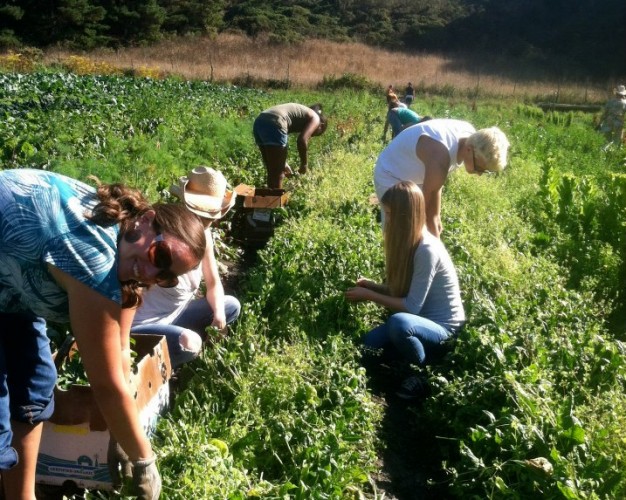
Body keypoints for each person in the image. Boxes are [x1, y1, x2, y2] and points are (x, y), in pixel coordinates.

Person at [0, 168, 207, 499]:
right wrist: (144, 459)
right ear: (147, 220)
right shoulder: (93, 258)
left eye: (167, 276)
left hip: (8, 290)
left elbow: (121, 349)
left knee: (35, 387)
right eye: (161, 256)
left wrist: (126, 431)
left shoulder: (121, 238)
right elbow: (107, 385)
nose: (153, 274)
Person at [345, 181, 465, 400]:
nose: (386, 219)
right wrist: (371, 285)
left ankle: (420, 375)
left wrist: (369, 296)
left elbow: (411, 306)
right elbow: (403, 292)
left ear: (404, 216)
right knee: (366, 347)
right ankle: (406, 356)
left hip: (444, 328)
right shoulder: (410, 242)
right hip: (419, 321)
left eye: (390, 213)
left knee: (399, 324)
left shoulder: (427, 250)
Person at [131, 167, 241, 369]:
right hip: (142, 325)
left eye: (210, 215)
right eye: (200, 213)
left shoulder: (203, 235)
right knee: (189, 343)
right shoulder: (166, 236)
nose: (206, 221)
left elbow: (213, 282)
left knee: (230, 306)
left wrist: (218, 316)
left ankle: (182, 353)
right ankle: (157, 368)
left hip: (176, 316)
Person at [374, 118, 510, 236]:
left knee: (427, 227)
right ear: (469, 150)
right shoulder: (440, 155)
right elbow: (425, 210)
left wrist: (436, 217)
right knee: (401, 230)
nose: (479, 174)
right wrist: (435, 241)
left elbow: (436, 185)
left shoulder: (470, 136)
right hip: (390, 174)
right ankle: (393, 262)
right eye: (480, 168)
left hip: (414, 175)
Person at [253, 103, 328, 189]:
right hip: (276, 121)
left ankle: (270, 198)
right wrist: (304, 165)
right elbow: (302, 140)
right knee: (278, 174)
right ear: (321, 126)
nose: (311, 135)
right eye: (315, 134)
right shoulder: (316, 118)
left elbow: (275, 149)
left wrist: (283, 163)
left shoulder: (305, 113)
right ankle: (277, 201)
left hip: (259, 121)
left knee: (272, 171)